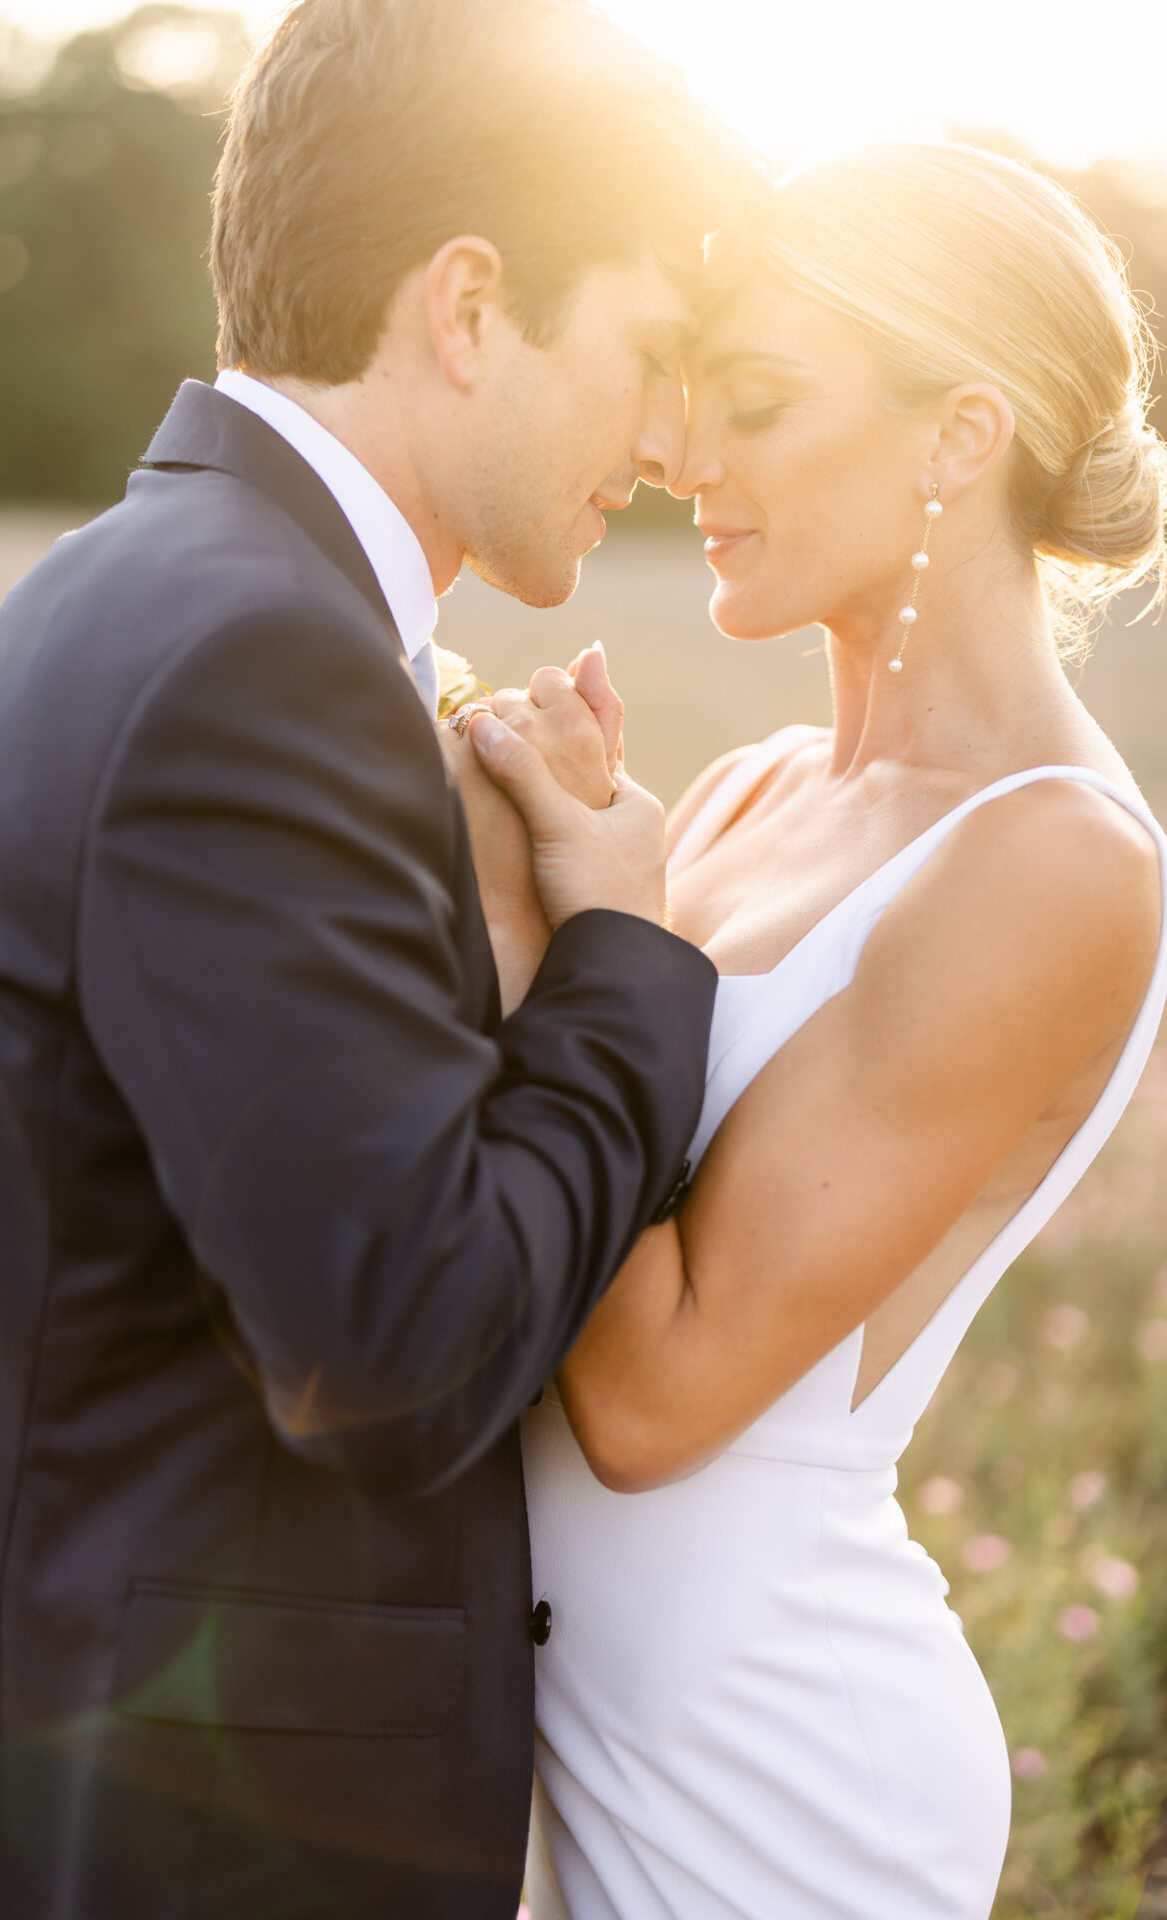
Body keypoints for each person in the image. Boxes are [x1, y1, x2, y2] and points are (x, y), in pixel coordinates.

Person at [0, 4, 755, 1915]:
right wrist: (618, 943)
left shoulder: (134, 585)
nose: (675, 444)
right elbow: (400, 1344)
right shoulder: (257, 664)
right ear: (469, 306)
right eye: (650, 358)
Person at [451, 143, 1167, 1918]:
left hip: (774, 1783)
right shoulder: (757, 789)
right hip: (572, 1729)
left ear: (959, 433)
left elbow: (648, 1397)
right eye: (696, 401)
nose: (687, 457)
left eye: (758, 404)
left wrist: (550, 914)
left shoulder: (1057, 862)